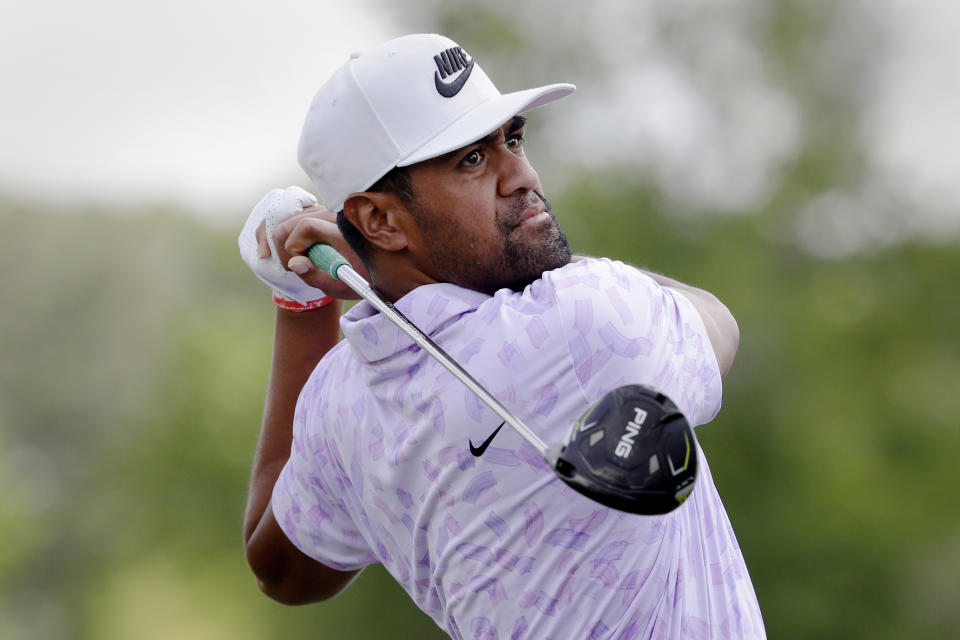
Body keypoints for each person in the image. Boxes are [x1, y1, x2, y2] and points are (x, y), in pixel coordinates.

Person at [239, 33, 765, 639]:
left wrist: (301, 301)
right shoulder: (588, 316)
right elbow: (717, 322)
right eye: (472, 160)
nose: (523, 176)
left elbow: (280, 571)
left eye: (512, 140)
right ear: (379, 221)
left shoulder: (339, 403)